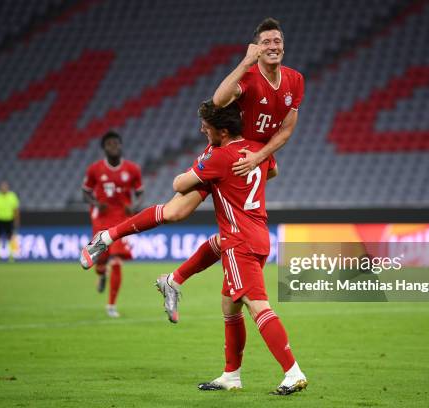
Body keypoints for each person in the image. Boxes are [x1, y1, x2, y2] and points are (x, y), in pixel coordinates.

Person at [80, 17, 304, 323]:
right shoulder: (249, 76)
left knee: (233, 234)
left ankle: (173, 281)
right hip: (228, 152)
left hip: (253, 156)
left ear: (284, 44)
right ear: (256, 47)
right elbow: (219, 100)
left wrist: (260, 157)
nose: (272, 46)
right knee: (176, 212)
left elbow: (288, 129)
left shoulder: (295, 80)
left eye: (277, 41)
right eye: (266, 42)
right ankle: (106, 239)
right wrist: (244, 62)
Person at [87, 101, 308, 395]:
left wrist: (212, 173)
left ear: (224, 130)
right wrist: (229, 182)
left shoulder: (220, 156)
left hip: (239, 242)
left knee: (258, 306)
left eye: (208, 129)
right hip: (257, 235)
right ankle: (231, 374)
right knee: (230, 305)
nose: (204, 132)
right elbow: (272, 172)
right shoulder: (257, 148)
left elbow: (180, 184)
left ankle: (292, 371)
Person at [82, 131, 144, 318]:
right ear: (104, 148)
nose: (114, 146)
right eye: (109, 144)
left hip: (121, 220)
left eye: (116, 143)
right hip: (101, 219)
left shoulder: (132, 169)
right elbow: (85, 192)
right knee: (101, 259)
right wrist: (95, 203)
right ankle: (101, 273)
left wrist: (134, 206)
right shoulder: (95, 169)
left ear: (121, 145)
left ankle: (111, 305)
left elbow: (140, 194)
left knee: (116, 260)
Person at [0, 180, 20, 263]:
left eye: (5, 186)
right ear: (0, 188)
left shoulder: (12, 196)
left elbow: (16, 209)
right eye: (2, 186)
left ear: (8, 187)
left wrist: (16, 219)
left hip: (9, 219)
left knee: (10, 237)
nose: (4, 188)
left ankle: (11, 256)